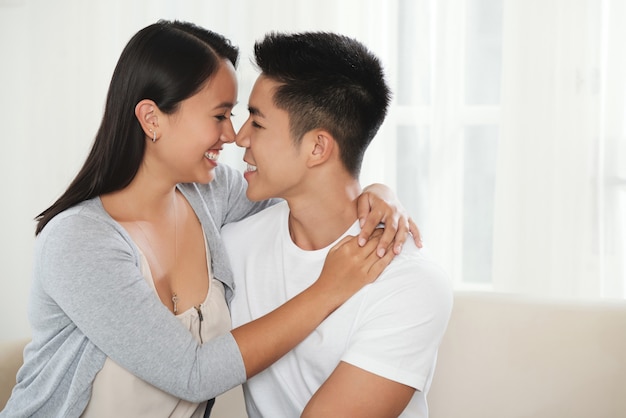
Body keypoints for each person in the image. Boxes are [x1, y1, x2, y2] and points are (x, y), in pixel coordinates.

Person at [0, 21, 421, 418]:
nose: (233, 135)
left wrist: (379, 194)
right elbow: (193, 374)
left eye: (239, 116)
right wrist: (329, 289)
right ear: (152, 119)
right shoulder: (78, 242)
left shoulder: (213, 194)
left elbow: (309, 196)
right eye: (220, 115)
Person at [222, 31, 453, 418]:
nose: (239, 137)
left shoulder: (409, 281)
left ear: (317, 147)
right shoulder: (234, 244)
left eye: (257, 123)